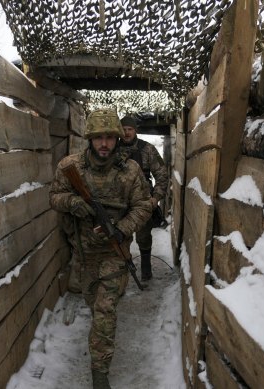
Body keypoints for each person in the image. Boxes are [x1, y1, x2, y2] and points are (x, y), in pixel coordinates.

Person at [49, 108, 152, 389]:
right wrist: (74, 204)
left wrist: (120, 229)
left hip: (113, 254)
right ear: (89, 139)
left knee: (106, 312)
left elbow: (144, 205)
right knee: (94, 306)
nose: (104, 144)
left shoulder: (130, 171)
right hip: (83, 255)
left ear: (118, 138)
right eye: (98, 138)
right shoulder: (71, 167)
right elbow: (55, 196)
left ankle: (99, 374)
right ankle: (100, 348)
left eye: (109, 137)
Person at [119, 115, 169, 281]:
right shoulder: (113, 149)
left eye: (130, 129)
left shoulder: (147, 149)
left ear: (135, 131)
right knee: (120, 237)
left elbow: (162, 175)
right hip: (118, 202)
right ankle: (121, 273)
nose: (126, 133)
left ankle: (146, 269)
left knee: (144, 237)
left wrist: (155, 198)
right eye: (124, 129)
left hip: (142, 201)